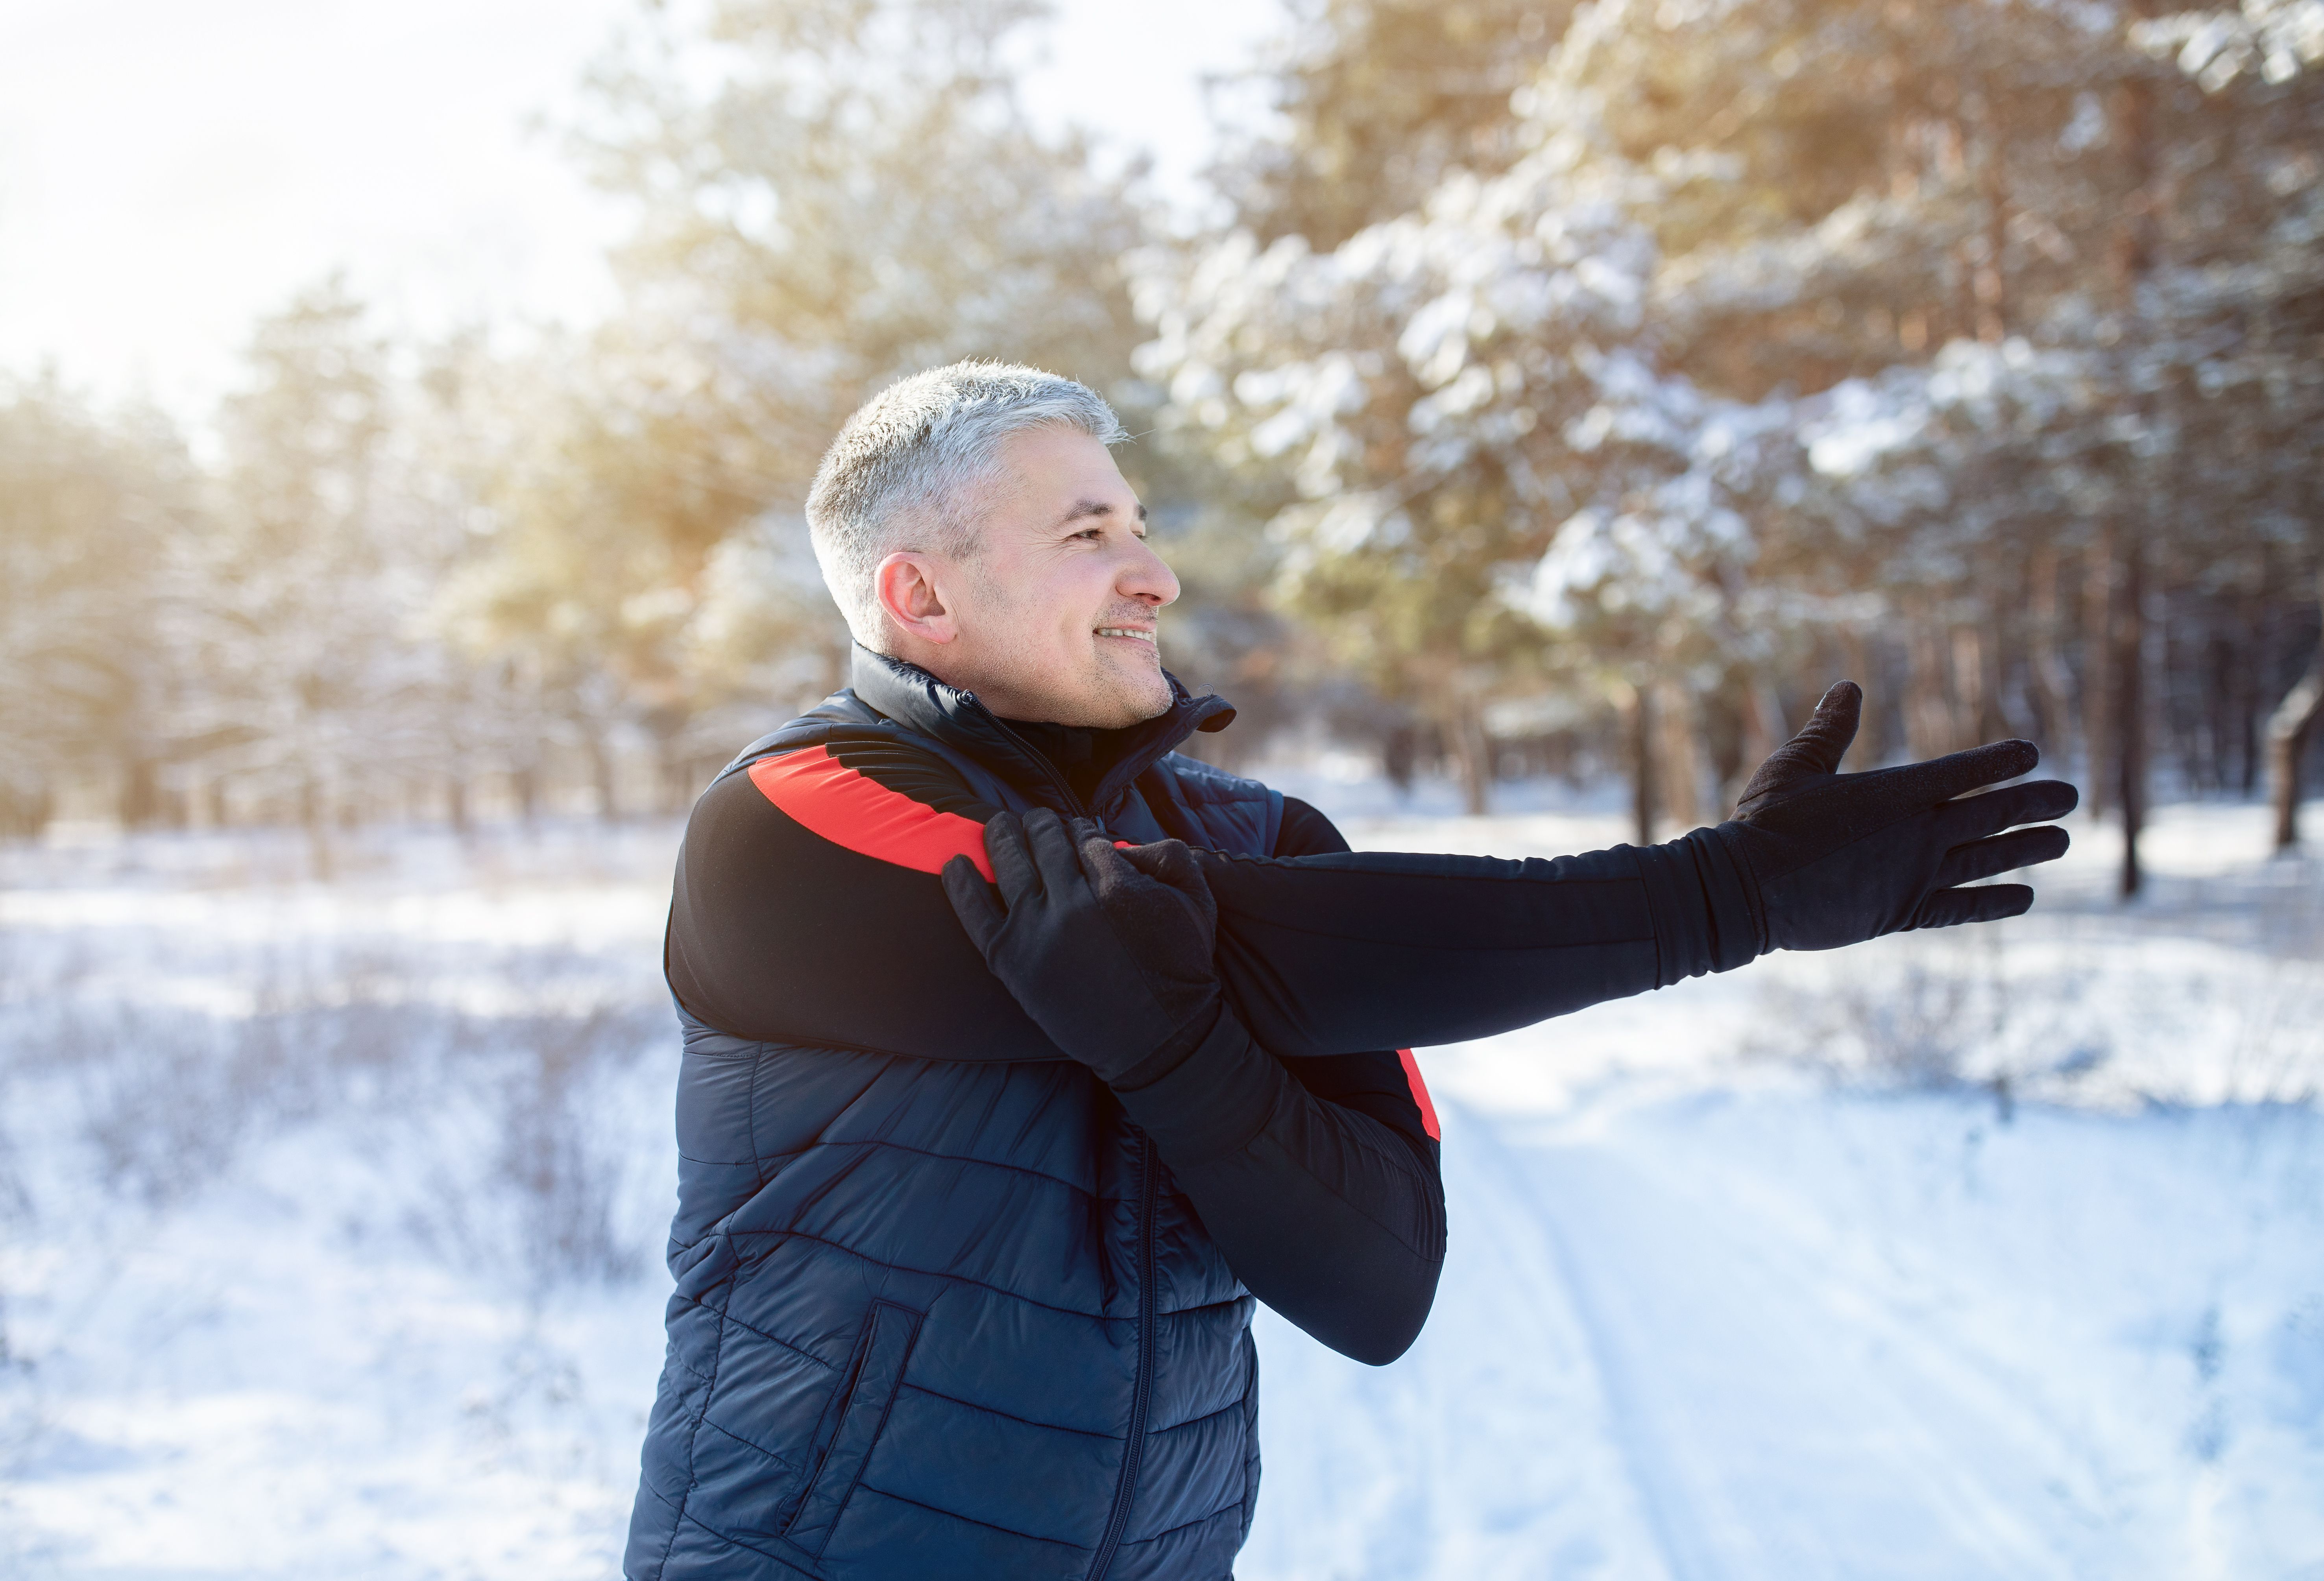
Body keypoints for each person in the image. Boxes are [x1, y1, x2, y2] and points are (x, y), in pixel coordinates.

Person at [623, 363, 2076, 1581]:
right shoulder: (786, 822)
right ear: (920, 596)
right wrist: (1727, 893)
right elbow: (1200, 936)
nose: (1157, 572)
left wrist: (1177, 1054)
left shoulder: (1264, 835)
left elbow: (1377, 1288)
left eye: (1139, 523)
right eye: (1088, 534)